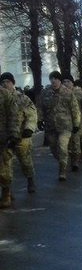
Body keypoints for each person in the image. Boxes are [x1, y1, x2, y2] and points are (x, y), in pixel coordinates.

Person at [38, 71, 81, 181]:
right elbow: (40, 107)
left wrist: (76, 124)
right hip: (50, 126)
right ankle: (65, 159)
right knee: (53, 149)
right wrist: (39, 120)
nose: (53, 81)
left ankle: (62, 171)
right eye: (51, 79)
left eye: (56, 79)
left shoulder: (68, 93)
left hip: (65, 126)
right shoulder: (45, 93)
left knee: (62, 147)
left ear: (59, 80)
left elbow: (75, 109)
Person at [0, 73, 36, 194]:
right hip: (5, 137)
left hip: (22, 135)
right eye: (3, 82)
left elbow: (32, 114)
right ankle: (7, 191)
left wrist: (29, 128)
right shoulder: (1, 98)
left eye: (8, 82)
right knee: (5, 163)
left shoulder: (22, 98)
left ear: (13, 83)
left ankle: (30, 180)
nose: (5, 84)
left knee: (25, 160)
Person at [0, 77, 20, 207]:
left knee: (3, 168)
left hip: (2, 137)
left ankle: (6, 193)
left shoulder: (5, 94)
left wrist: (13, 136)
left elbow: (13, 116)